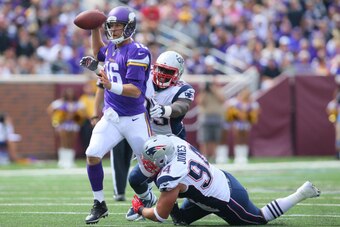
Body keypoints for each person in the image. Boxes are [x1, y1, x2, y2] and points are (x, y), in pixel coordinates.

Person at [131, 134, 321, 225]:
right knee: (180, 220)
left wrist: (140, 207)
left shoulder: (171, 175)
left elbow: (159, 215)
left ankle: (301, 193)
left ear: (163, 158)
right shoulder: (176, 143)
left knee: (259, 218)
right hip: (215, 182)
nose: (148, 163)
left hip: (228, 199)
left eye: (151, 160)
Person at [78, 6, 155, 225]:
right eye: (110, 26)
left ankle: (146, 199)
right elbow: (98, 52)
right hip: (112, 116)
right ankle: (99, 203)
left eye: (118, 26)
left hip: (134, 117)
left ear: (129, 27)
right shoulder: (112, 48)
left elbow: (135, 90)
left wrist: (110, 85)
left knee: (148, 165)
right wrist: (94, 29)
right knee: (92, 154)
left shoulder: (138, 51)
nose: (113, 30)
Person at [126, 50, 195, 221]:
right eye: (160, 69)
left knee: (170, 182)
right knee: (135, 179)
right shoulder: (145, 77)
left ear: (177, 74)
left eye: (168, 72)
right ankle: (147, 201)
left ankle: (179, 213)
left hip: (174, 142)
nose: (162, 75)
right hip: (150, 140)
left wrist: (166, 110)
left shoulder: (184, 89)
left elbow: (182, 107)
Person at [46, 88, 85, 168]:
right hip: (62, 124)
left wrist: (76, 116)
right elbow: (50, 110)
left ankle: (70, 160)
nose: (70, 95)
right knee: (64, 141)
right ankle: (62, 160)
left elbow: (84, 113)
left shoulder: (77, 103)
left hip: (73, 124)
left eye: (71, 93)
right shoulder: (59, 102)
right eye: (68, 93)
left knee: (71, 142)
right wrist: (56, 120)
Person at [225, 87, 260, 164]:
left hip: (246, 123)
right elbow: (228, 107)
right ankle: (238, 156)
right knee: (237, 139)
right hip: (237, 123)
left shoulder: (252, 103)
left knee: (245, 139)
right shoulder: (234, 102)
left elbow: (256, 111)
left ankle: (243, 156)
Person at [196, 80, 225, 163]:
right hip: (205, 117)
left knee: (215, 138)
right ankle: (204, 157)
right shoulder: (204, 93)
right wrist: (204, 91)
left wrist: (214, 90)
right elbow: (200, 102)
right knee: (204, 139)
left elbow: (222, 99)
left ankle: (214, 156)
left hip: (217, 117)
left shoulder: (219, 91)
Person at [326, 89, 340, 160]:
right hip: (338, 121)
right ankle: (338, 154)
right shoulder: (333, 104)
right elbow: (330, 115)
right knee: (338, 138)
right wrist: (334, 121)